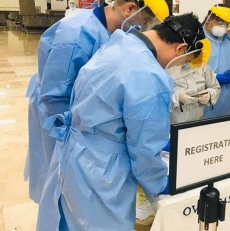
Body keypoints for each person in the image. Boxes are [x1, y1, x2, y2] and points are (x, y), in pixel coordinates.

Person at [36, 13, 206, 230]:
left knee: (69, 220)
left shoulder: (119, 42)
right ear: (181, 49)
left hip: (75, 153)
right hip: (101, 169)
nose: (179, 66)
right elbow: (144, 150)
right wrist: (160, 181)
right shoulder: (150, 75)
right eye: (184, 62)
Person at [24, 0, 169, 204]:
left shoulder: (113, 33)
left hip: (80, 118)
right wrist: (78, 137)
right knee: (61, 181)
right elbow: (55, 95)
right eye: (146, 22)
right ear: (130, 9)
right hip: (58, 116)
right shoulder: (77, 31)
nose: (144, 30)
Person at [202, 4, 230, 118]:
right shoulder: (197, 38)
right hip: (202, 93)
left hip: (224, 95)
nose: (222, 27)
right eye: (219, 22)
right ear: (209, 18)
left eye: (226, 24)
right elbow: (189, 66)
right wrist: (212, 77)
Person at [168, 41, 221, 124]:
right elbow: (158, 100)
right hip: (172, 124)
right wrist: (177, 98)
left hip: (197, 122)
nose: (188, 61)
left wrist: (209, 95)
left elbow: (215, 87)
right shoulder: (168, 69)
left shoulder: (203, 68)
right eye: (187, 58)